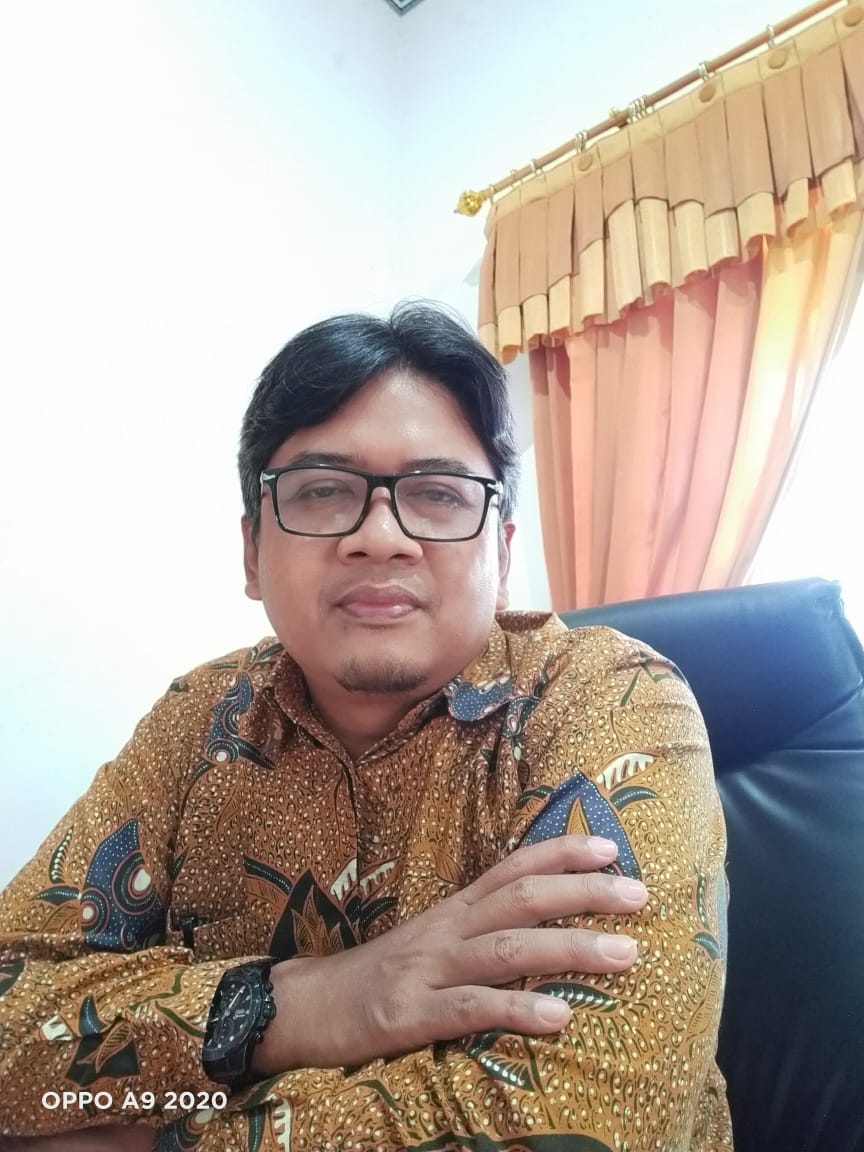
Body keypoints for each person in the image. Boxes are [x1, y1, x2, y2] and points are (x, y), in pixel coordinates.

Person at [0, 303, 731, 1151]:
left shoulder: (612, 699)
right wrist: (300, 1002)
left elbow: (584, 1125)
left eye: (437, 495)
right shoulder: (200, 718)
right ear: (252, 552)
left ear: (501, 553)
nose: (380, 538)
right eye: (323, 491)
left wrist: (144, 1136)